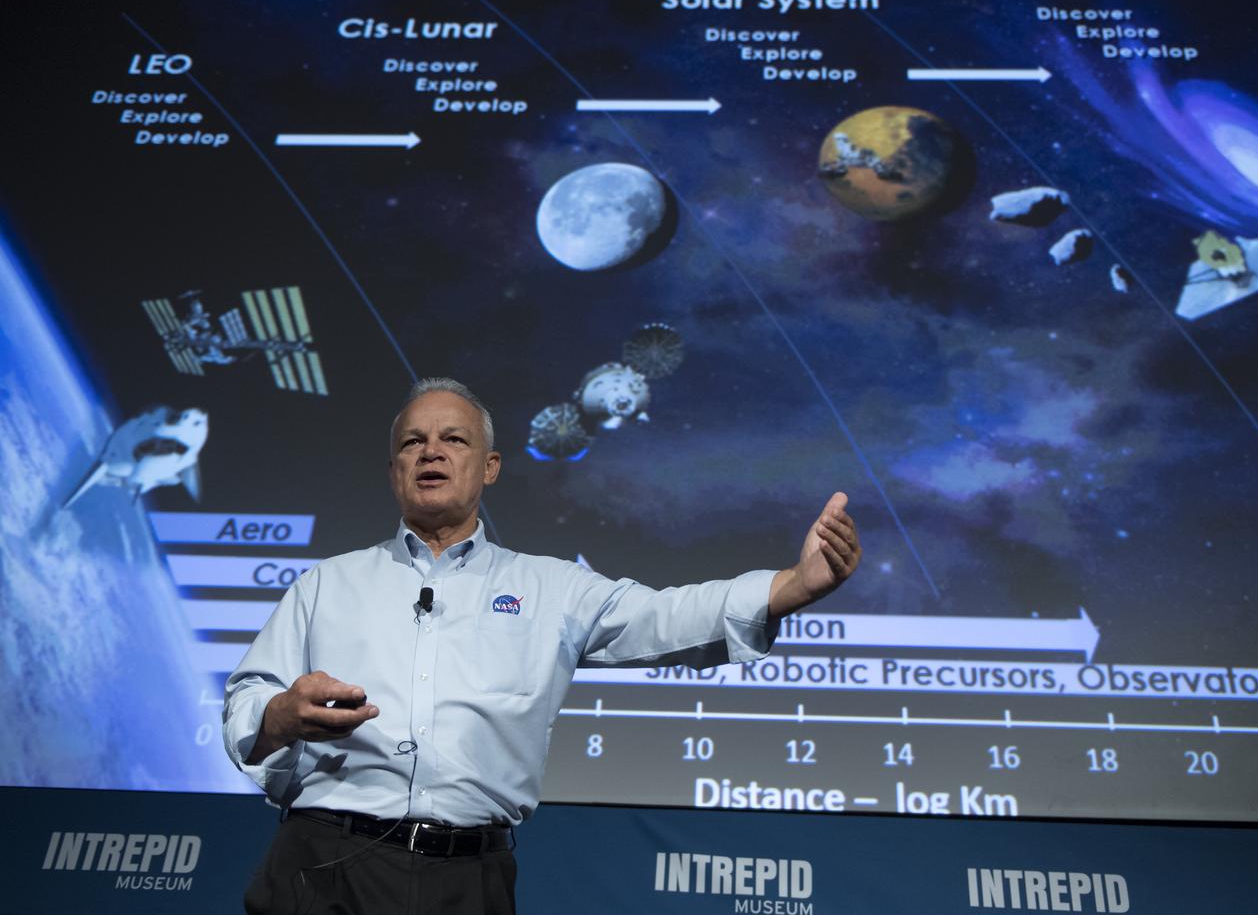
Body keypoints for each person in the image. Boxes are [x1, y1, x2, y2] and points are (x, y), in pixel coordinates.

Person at [224, 377, 861, 915]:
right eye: (412, 442)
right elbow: (245, 700)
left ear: (490, 466)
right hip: (323, 864)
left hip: (466, 880)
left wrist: (794, 585)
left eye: (454, 439)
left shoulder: (549, 586)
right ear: (393, 469)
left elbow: (665, 617)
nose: (430, 452)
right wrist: (277, 716)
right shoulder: (326, 583)